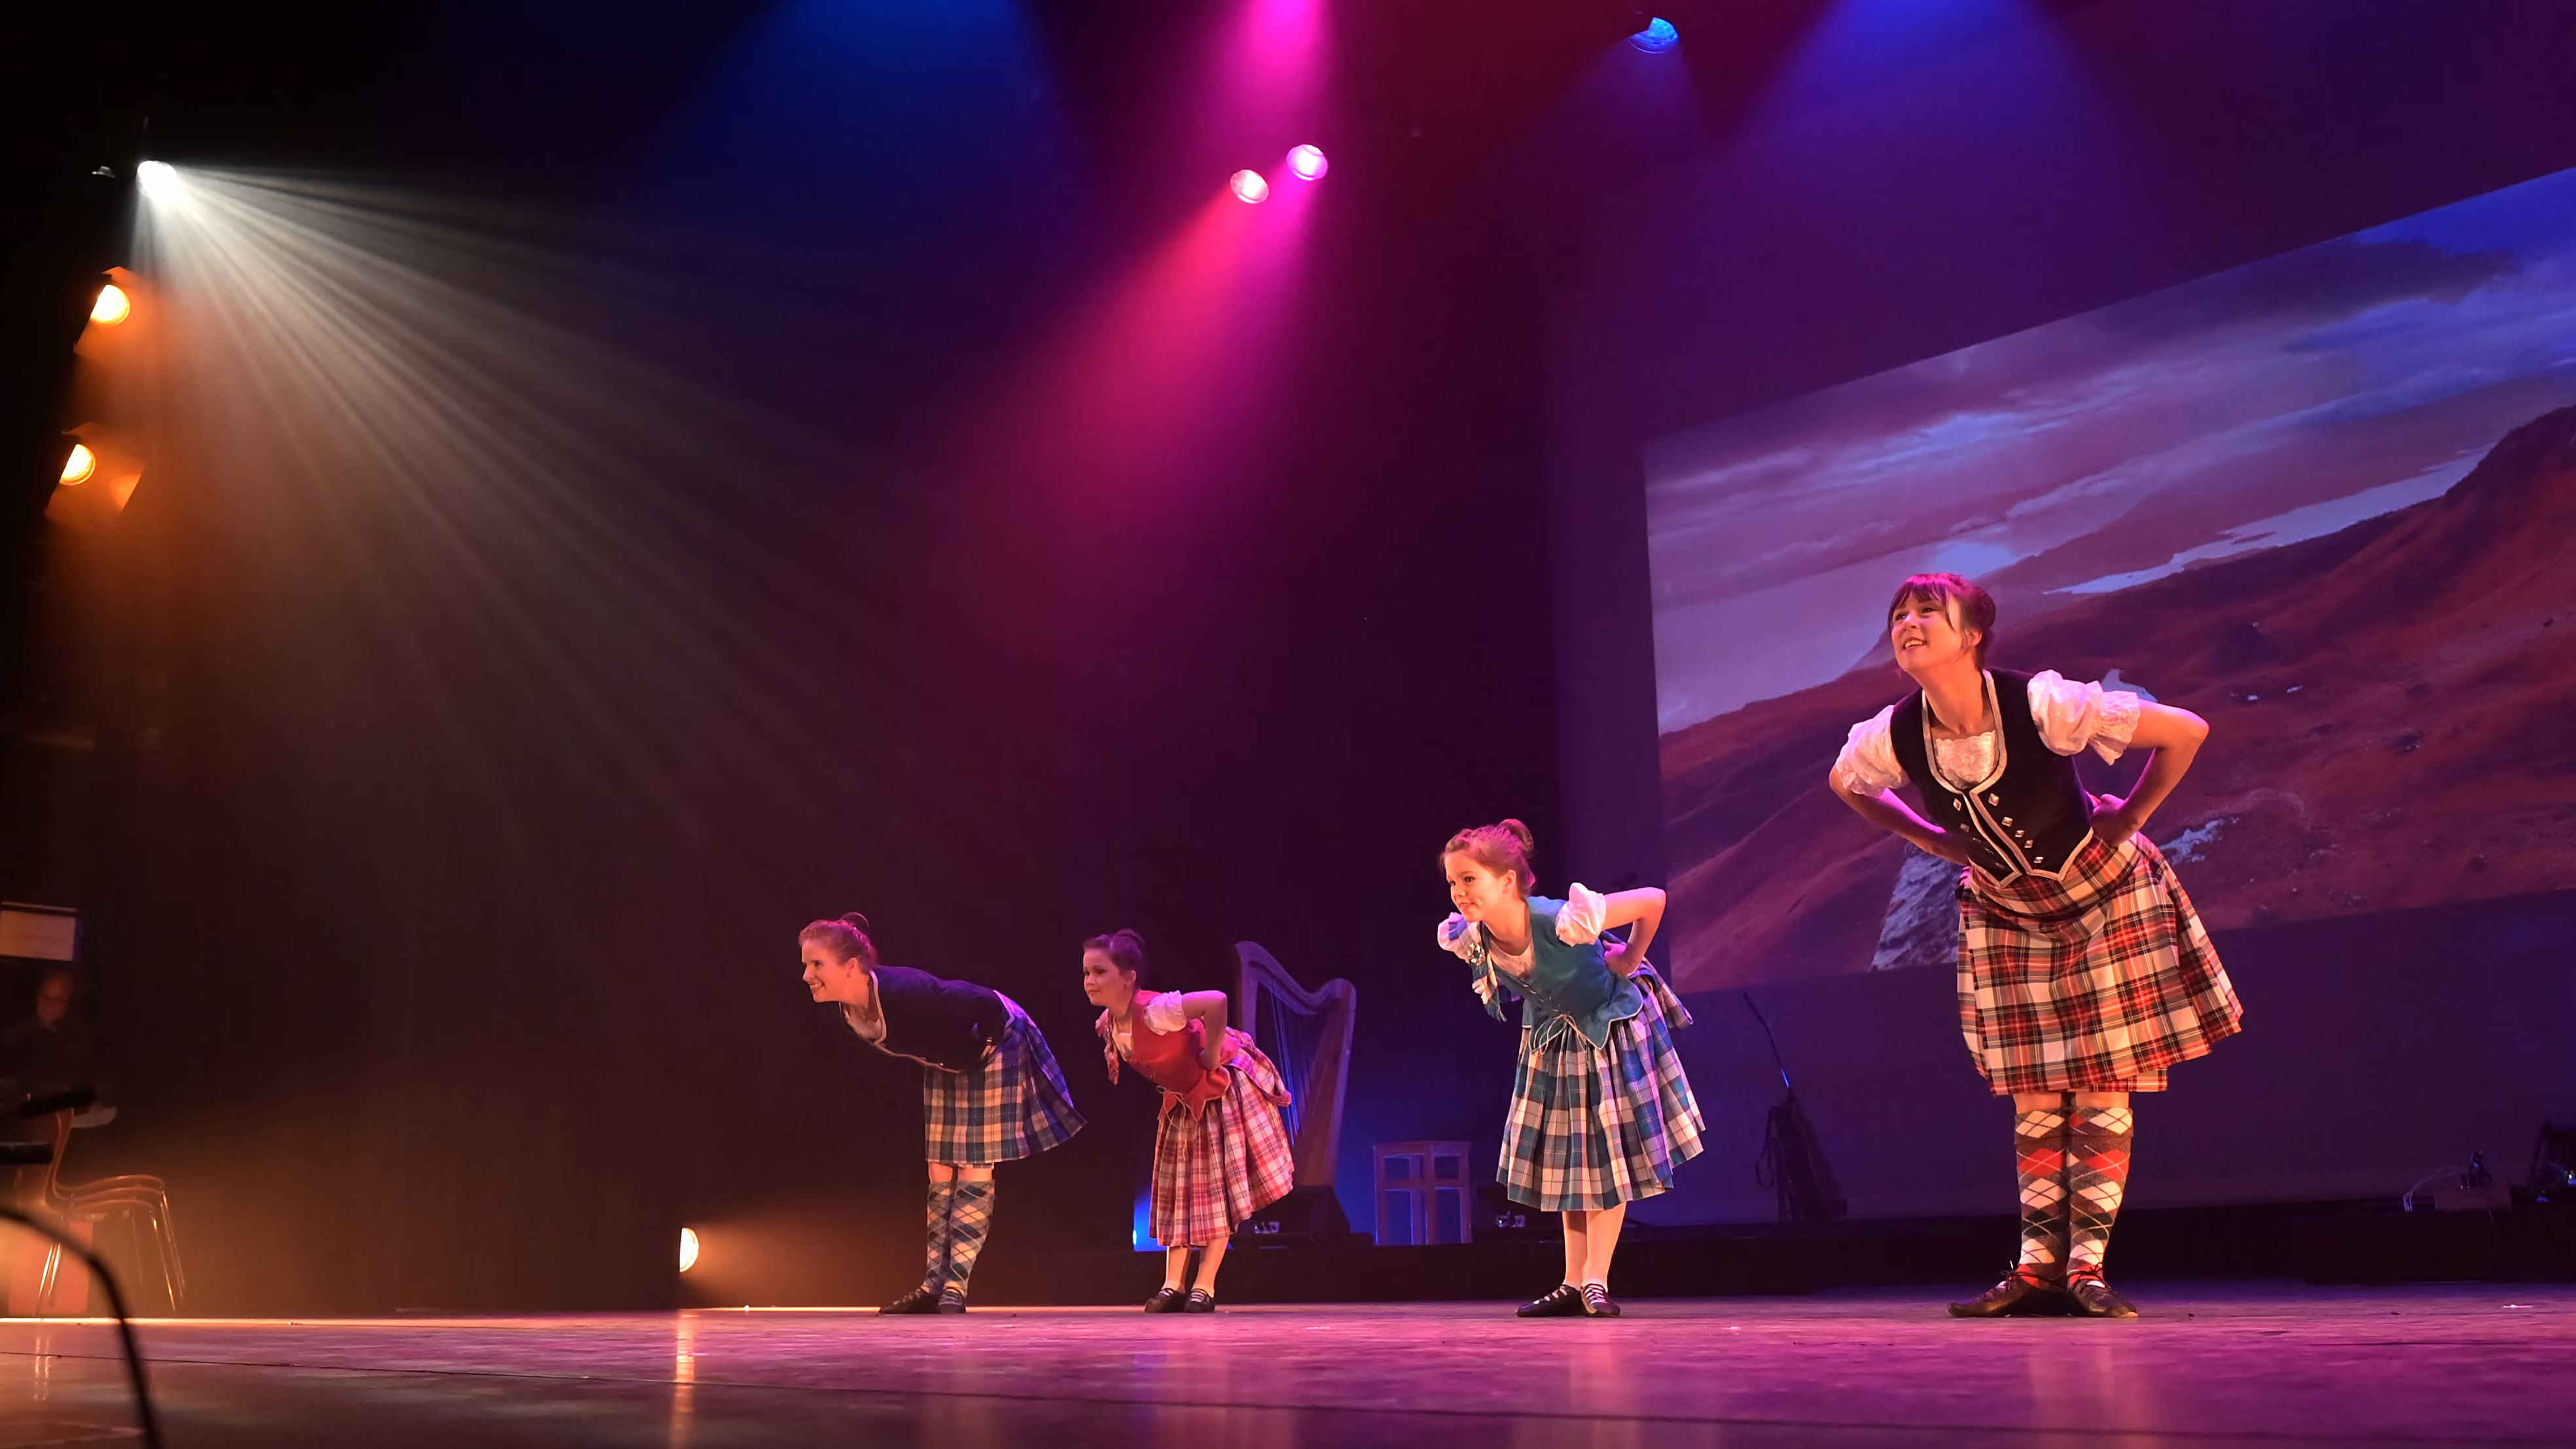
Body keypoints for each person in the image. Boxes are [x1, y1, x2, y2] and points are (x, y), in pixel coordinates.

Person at [1828, 573, 2245, 1319]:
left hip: (2101, 896)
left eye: (1928, 611)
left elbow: (2186, 731)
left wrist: (2129, 817)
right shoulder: (1897, 732)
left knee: (2101, 1084)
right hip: (2009, 911)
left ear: (1972, 635)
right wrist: (1929, 838)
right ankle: (2035, 1268)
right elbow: (1845, 781)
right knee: (2034, 1094)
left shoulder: (2042, 704)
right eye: (1899, 614)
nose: (1908, 623)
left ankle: (2087, 1270)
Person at [1435, 819, 1706, 1318]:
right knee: (1570, 1162)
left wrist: (1630, 958)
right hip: (1555, 1040)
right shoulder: (1476, 937)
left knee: (1608, 1158)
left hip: (1607, 1029)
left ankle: (1596, 1281)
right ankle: (1572, 1280)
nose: (1458, 892)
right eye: (1453, 881)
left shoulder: (1563, 919)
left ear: (1507, 881)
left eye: (1469, 879)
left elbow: (1653, 900)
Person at [800, 912, 1085, 1314]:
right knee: (938, 1167)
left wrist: (983, 1047)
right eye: (806, 965)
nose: (807, 975)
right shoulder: (850, 1013)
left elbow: (984, 1003)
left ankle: (955, 1287)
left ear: (851, 966)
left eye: (817, 964)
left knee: (974, 1162)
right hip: (948, 1062)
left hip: (995, 1044)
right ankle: (932, 1284)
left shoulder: (904, 990)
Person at [1081, 928, 1295, 1313]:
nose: (1090, 981)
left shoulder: (1156, 1010)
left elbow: (1216, 1001)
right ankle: (1172, 1284)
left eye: (1100, 972)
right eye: (1087, 973)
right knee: (1178, 1189)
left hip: (1219, 1088)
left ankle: (1204, 1285)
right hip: (1183, 1098)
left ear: (1128, 977)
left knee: (1214, 1189)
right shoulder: (1110, 1022)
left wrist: (1211, 1053)